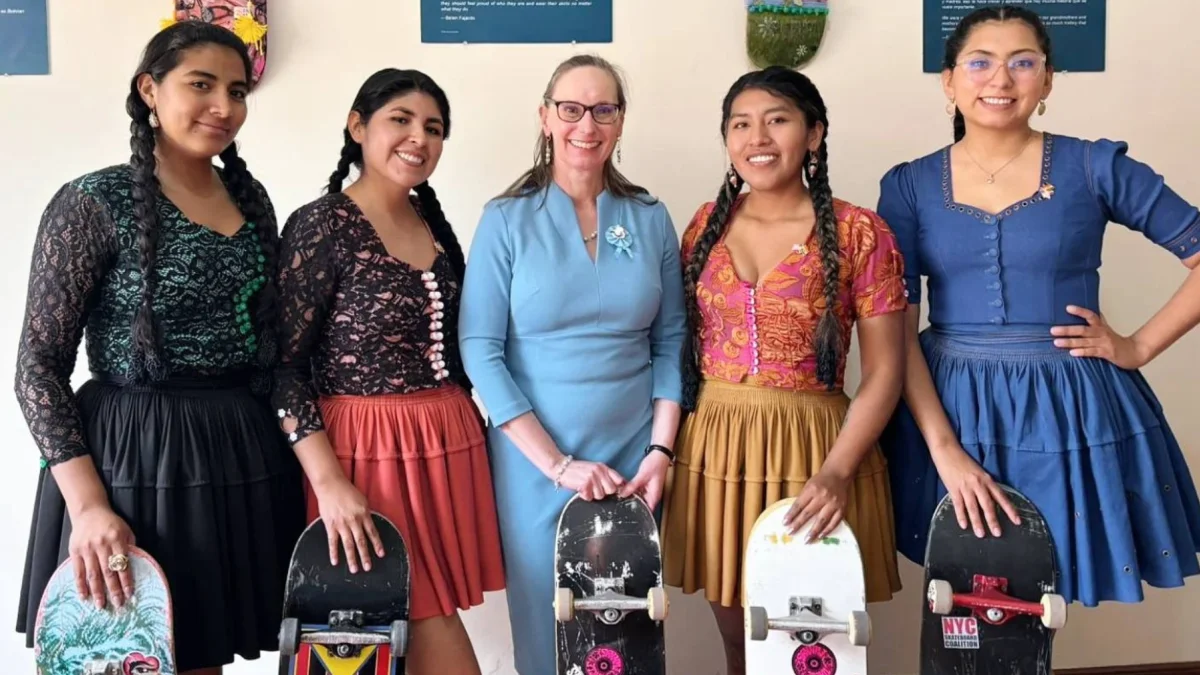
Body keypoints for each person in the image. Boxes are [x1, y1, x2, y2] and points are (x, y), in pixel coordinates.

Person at [878, 4, 1200, 608]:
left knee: (1046, 590)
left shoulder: (1095, 166)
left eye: (1022, 63)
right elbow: (896, 322)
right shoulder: (908, 185)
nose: (1000, 80)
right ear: (948, 82)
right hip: (949, 406)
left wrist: (1138, 346)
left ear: (1047, 81)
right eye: (980, 63)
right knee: (968, 594)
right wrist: (943, 447)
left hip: (1068, 405)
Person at [13, 21, 305, 673]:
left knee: (202, 654)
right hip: (134, 455)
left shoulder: (249, 196)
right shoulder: (94, 199)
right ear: (150, 88)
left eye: (237, 90)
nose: (224, 107)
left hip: (237, 447)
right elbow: (36, 368)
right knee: (132, 653)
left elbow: (275, 346)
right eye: (201, 85)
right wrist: (87, 506)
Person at [660, 66, 907, 675]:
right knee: (742, 649)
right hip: (718, 448)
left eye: (777, 119)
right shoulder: (702, 226)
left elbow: (885, 372)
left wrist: (836, 471)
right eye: (740, 124)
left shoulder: (859, 233)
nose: (757, 137)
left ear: (814, 134)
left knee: (816, 649)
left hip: (815, 450)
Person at [458, 54, 687, 674]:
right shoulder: (505, 220)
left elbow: (670, 343)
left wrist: (660, 456)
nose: (587, 124)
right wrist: (557, 464)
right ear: (545, 117)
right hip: (535, 463)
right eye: (571, 108)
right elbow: (480, 349)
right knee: (550, 623)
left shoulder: (649, 218)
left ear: (620, 122)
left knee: (627, 628)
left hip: (635, 461)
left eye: (604, 109)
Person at [272, 68, 505, 674]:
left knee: (400, 639)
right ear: (358, 127)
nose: (418, 138)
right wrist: (328, 483)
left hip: (443, 446)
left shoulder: (433, 226)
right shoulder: (323, 224)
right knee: (397, 631)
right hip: (368, 454)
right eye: (400, 120)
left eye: (433, 128)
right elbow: (285, 368)